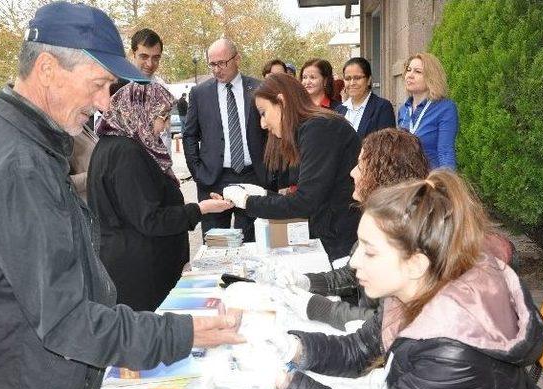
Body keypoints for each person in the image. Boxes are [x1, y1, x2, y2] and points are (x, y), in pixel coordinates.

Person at [0, 3, 242, 389]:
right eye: (98, 84)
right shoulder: (17, 164)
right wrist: (183, 332)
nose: (104, 103)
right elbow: (66, 320)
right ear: (47, 69)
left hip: (6, 378)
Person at [273, 169, 543, 389]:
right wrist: (293, 347)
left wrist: (294, 385)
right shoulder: (415, 290)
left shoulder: (454, 350)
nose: (355, 262)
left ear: (416, 264)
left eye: (369, 251)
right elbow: (359, 348)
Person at [88, 82, 233, 311]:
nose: (165, 126)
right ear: (138, 112)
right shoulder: (127, 153)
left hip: (137, 264)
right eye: (162, 116)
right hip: (141, 274)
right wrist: (200, 209)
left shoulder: (116, 145)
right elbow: (150, 219)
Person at [278, 129, 429, 330]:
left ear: (381, 174)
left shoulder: (405, 232)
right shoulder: (384, 217)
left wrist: (320, 309)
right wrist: (307, 281)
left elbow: (385, 323)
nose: (352, 172)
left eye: (360, 165)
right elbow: (352, 273)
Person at [221, 73, 361, 262]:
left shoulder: (319, 129)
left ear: (281, 101)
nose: (262, 124)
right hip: (329, 235)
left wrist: (249, 202)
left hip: (340, 243)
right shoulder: (309, 129)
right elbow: (307, 195)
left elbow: (304, 202)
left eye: (263, 113)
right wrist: (263, 195)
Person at [182, 38, 267, 241]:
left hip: (253, 176)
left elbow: (270, 132)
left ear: (237, 58)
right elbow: (189, 135)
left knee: (252, 240)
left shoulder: (259, 88)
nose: (217, 69)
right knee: (215, 242)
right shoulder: (199, 93)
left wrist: (269, 172)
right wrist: (198, 172)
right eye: (212, 64)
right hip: (213, 180)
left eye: (222, 63)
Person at [397, 52, 459, 169]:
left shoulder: (445, 108)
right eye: (408, 70)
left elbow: (445, 152)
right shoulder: (403, 110)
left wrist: (446, 184)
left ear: (432, 77)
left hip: (431, 181)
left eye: (418, 71)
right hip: (407, 182)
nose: (409, 75)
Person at [130, 28, 174, 155]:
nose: (150, 64)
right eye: (144, 56)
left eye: (156, 58)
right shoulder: (116, 86)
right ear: (133, 54)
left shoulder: (164, 88)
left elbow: (165, 135)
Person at [336, 57, 395, 140]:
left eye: (357, 78)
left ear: (368, 80)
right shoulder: (339, 110)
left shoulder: (382, 107)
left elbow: (387, 145)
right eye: (348, 78)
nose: (352, 83)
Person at [69, 123, 98, 201]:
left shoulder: (80, 122)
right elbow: (61, 183)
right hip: (89, 206)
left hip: (104, 198)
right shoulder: (61, 133)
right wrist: (98, 176)